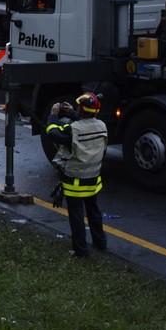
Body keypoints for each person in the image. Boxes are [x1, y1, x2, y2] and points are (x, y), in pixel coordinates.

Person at [46, 92, 108, 257]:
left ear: (82, 109)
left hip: (74, 181)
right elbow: (86, 124)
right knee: (93, 211)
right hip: (93, 180)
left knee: (76, 215)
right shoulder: (102, 125)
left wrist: (53, 114)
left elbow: (53, 133)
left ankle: (81, 249)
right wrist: (73, 113)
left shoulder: (73, 129)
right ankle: (100, 242)